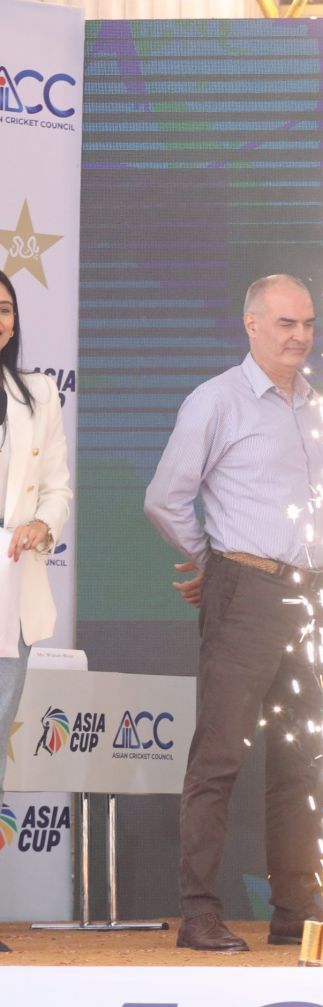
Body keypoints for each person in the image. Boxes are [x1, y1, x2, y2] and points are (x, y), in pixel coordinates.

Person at [145, 274, 323, 953]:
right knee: (218, 757)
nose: (300, 335)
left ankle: (293, 910)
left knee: (301, 763)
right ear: (251, 325)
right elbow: (164, 497)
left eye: (307, 322)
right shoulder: (216, 401)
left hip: (312, 596)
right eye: (285, 323)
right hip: (246, 592)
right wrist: (213, 564)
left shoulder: (313, 404)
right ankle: (200, 912)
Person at [0, 270, 74, 956]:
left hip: (9, 595)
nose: (0, 319)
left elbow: (57, 486)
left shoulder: (38, 394)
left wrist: (41, 528)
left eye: (5, 309)